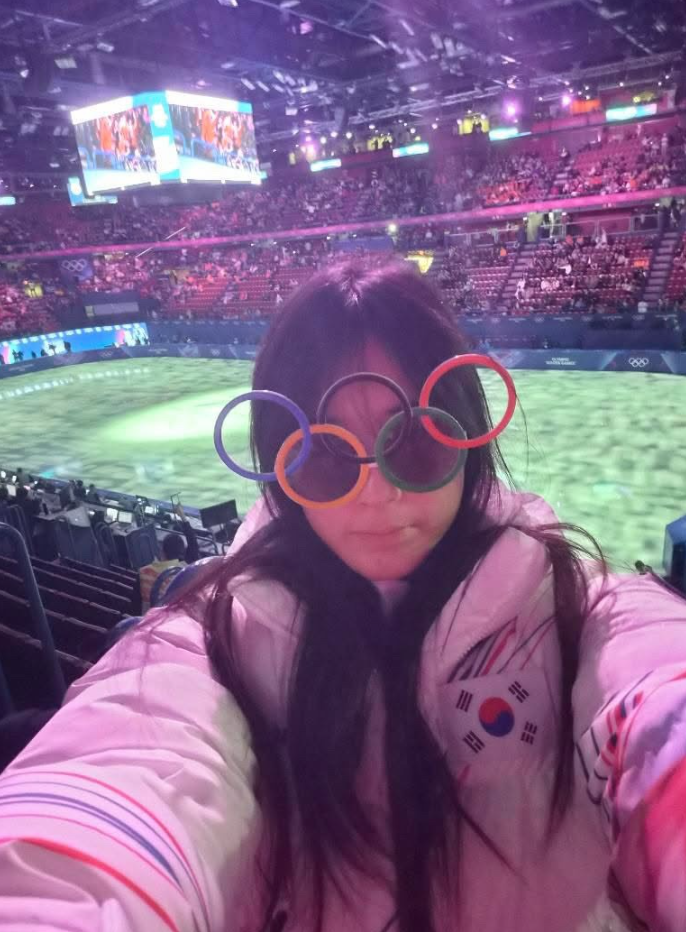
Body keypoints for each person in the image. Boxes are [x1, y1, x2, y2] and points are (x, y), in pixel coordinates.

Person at [1, 262, 686, 932]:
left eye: (414, 441)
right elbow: (129, 762)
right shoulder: (216, 638)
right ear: (281, 465)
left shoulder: (574, 605)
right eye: (326, 456)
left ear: (466, 436)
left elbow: (656, 686)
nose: (377, 494)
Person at [136, 503, 199, 612]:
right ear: (181, 553)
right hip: (173, 618)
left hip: (146, 619)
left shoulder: (143, 572)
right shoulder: (184, 571)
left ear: (162, 552)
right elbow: (193, 543)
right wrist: (183, 517)